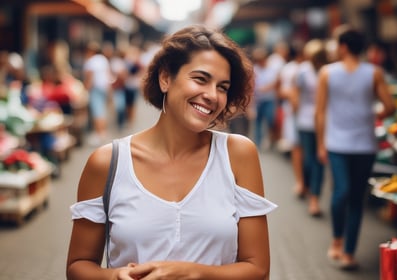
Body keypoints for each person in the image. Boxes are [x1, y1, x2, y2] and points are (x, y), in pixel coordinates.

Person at [66, 25, 277, 280]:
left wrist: (192, 272)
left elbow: (258, 269)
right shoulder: (108, 162)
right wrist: (115, 277)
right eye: (200, 79)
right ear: (165, 78)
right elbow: (78, 265)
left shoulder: (238, 154)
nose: (212, 95)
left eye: (222, 87)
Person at [315, 28, 396, 270]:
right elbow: (390, 107)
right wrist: (372, 115)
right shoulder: (374, 73)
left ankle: (346, 249)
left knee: (345, 194)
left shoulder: (327, 73)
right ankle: (339, 242)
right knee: (350, 195)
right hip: (352, 144)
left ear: (343, 47)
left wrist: (320, 143)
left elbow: (320, 112)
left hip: (350, 144)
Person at [294, 39, 328, 217]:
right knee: (309, 161)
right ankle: (305, 185)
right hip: (306, 121)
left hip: (324, 122)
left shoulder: (328, 70)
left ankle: (314, 198)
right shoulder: (302, 71)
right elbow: (296, 94)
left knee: (319, 161)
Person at [277, 43, 305, 198]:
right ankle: (302, 182)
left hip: (295, 112)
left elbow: (281, 90)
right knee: (299, 148)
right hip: (296, 113)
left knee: (297, 148)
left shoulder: (288, 68)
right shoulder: (298, 69)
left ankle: (301, 182)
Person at [83, 41, 111, 146]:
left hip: (95, 88)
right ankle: (103, 132)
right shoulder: (103, 59)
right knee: (102, 111)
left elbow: (89, 77)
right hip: (104, 87)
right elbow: (108, 74)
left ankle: (100, 134)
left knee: (97, 112)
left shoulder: (91, 61)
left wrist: (85, 89)